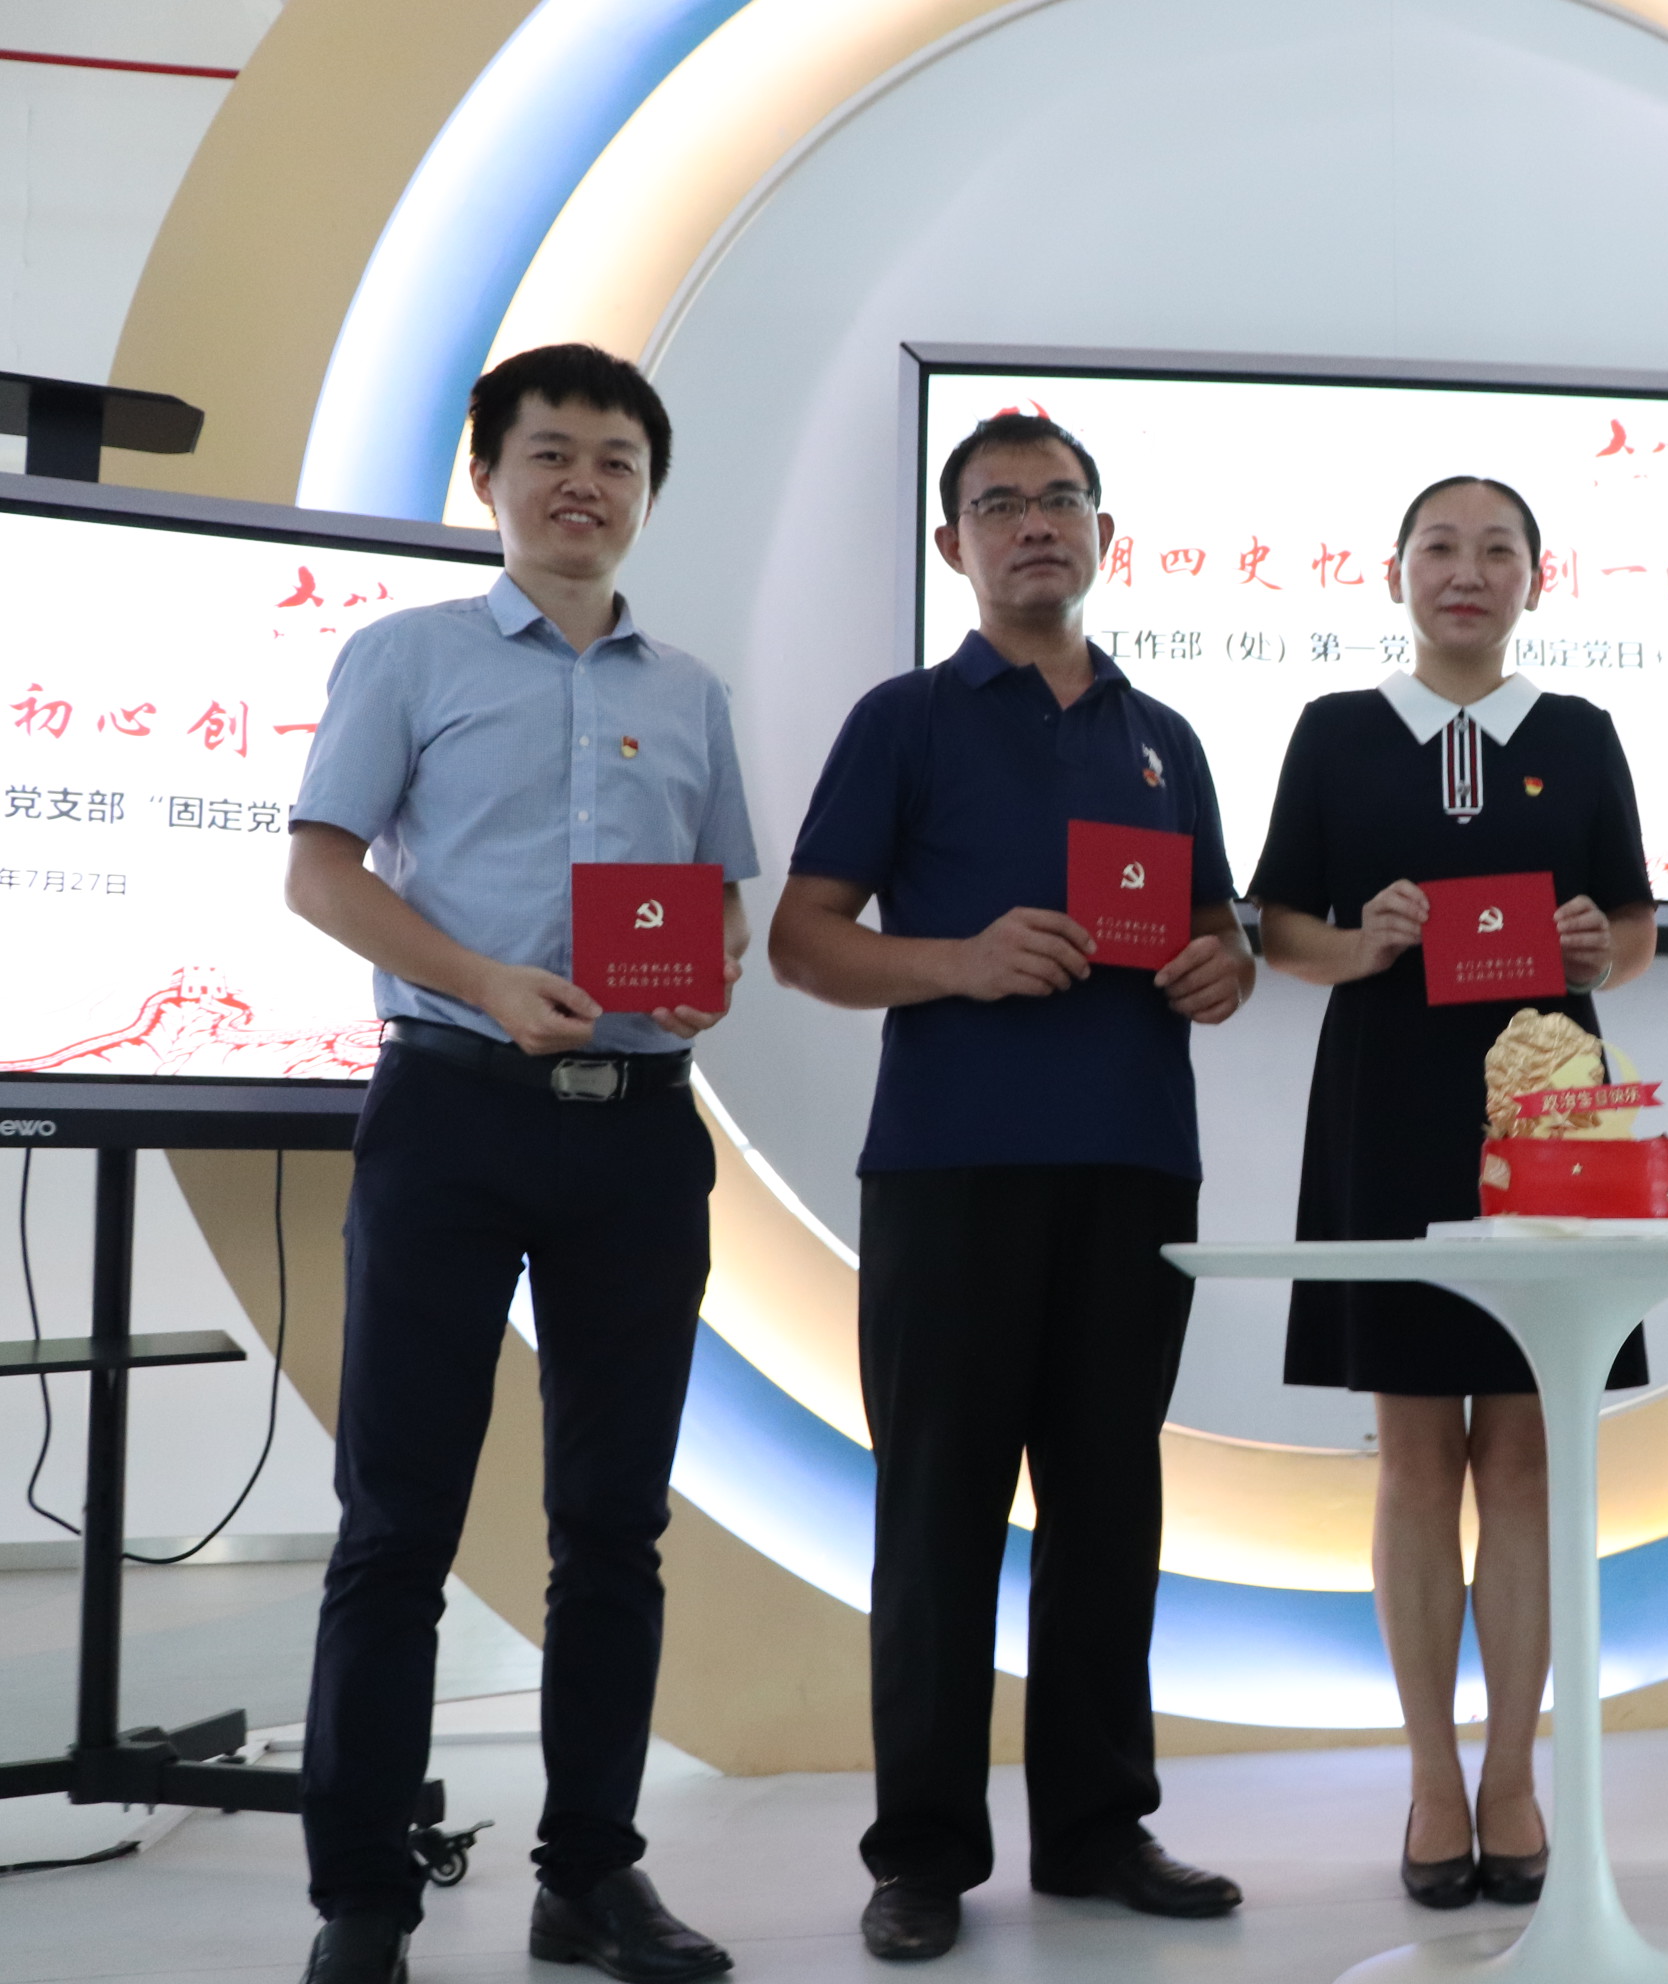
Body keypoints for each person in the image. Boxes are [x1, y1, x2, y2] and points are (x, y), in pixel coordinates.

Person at [283, 344, 753, 1984]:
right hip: (452, 1111)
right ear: (488, 478)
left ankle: (590, 1877)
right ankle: (363, 1899)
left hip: (638, 1129)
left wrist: (708, 972)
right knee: (395, 1520)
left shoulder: (688, 693)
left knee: (613, 1525)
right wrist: (484, 981)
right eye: (551, 452)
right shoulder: (407, 655)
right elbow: (322, 876)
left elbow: (722, 902)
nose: (584, 484)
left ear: (646, 493)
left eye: (617, 460)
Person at [767, 411, 1255, 1964]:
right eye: (1000, 505)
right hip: (951, 1166)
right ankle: (921, 1854)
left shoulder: (1164, 736)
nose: (1035, 524)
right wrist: (962, 963)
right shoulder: (905, 721)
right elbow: (803, 941)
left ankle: (1100, 1830)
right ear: (953, 545)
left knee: (1112, 1506)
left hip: (1134, 1165)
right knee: (939, 1518)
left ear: (1105, 533)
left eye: (1061, 501)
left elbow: (1220, 931)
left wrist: (1224, 969)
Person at [1252, 476, 1658, 1910]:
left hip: (1549, 1111)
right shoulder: (1336, 731)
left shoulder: (1581, 734)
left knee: (1529, 1455)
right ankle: (1433, 1776)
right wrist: (1358, 944)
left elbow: (1634, 927)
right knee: (1416, 1454)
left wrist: (1602, 944)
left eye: (1498, 550)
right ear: (1395, 575)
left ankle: (1513, 1775)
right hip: (1389, 1110)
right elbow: (1278, 927)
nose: (1467, 571)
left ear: (1538, 579)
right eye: (1441, 547)